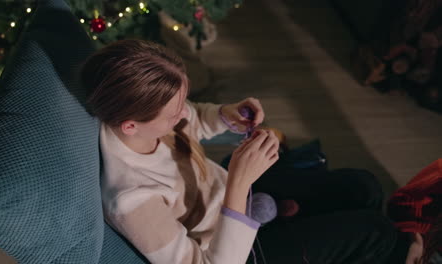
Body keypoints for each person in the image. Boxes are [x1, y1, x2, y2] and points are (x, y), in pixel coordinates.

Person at [80, 38, 410, 264]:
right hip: (235, 249)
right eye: (173, 113)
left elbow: (195, 118)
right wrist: (239, 183)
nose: (184, 113)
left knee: (364, 186)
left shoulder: (149, 119)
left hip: (239, 201)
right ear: (130, 126)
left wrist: (226, 114)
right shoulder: (131, 200)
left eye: (183, 101)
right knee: (376, 233)